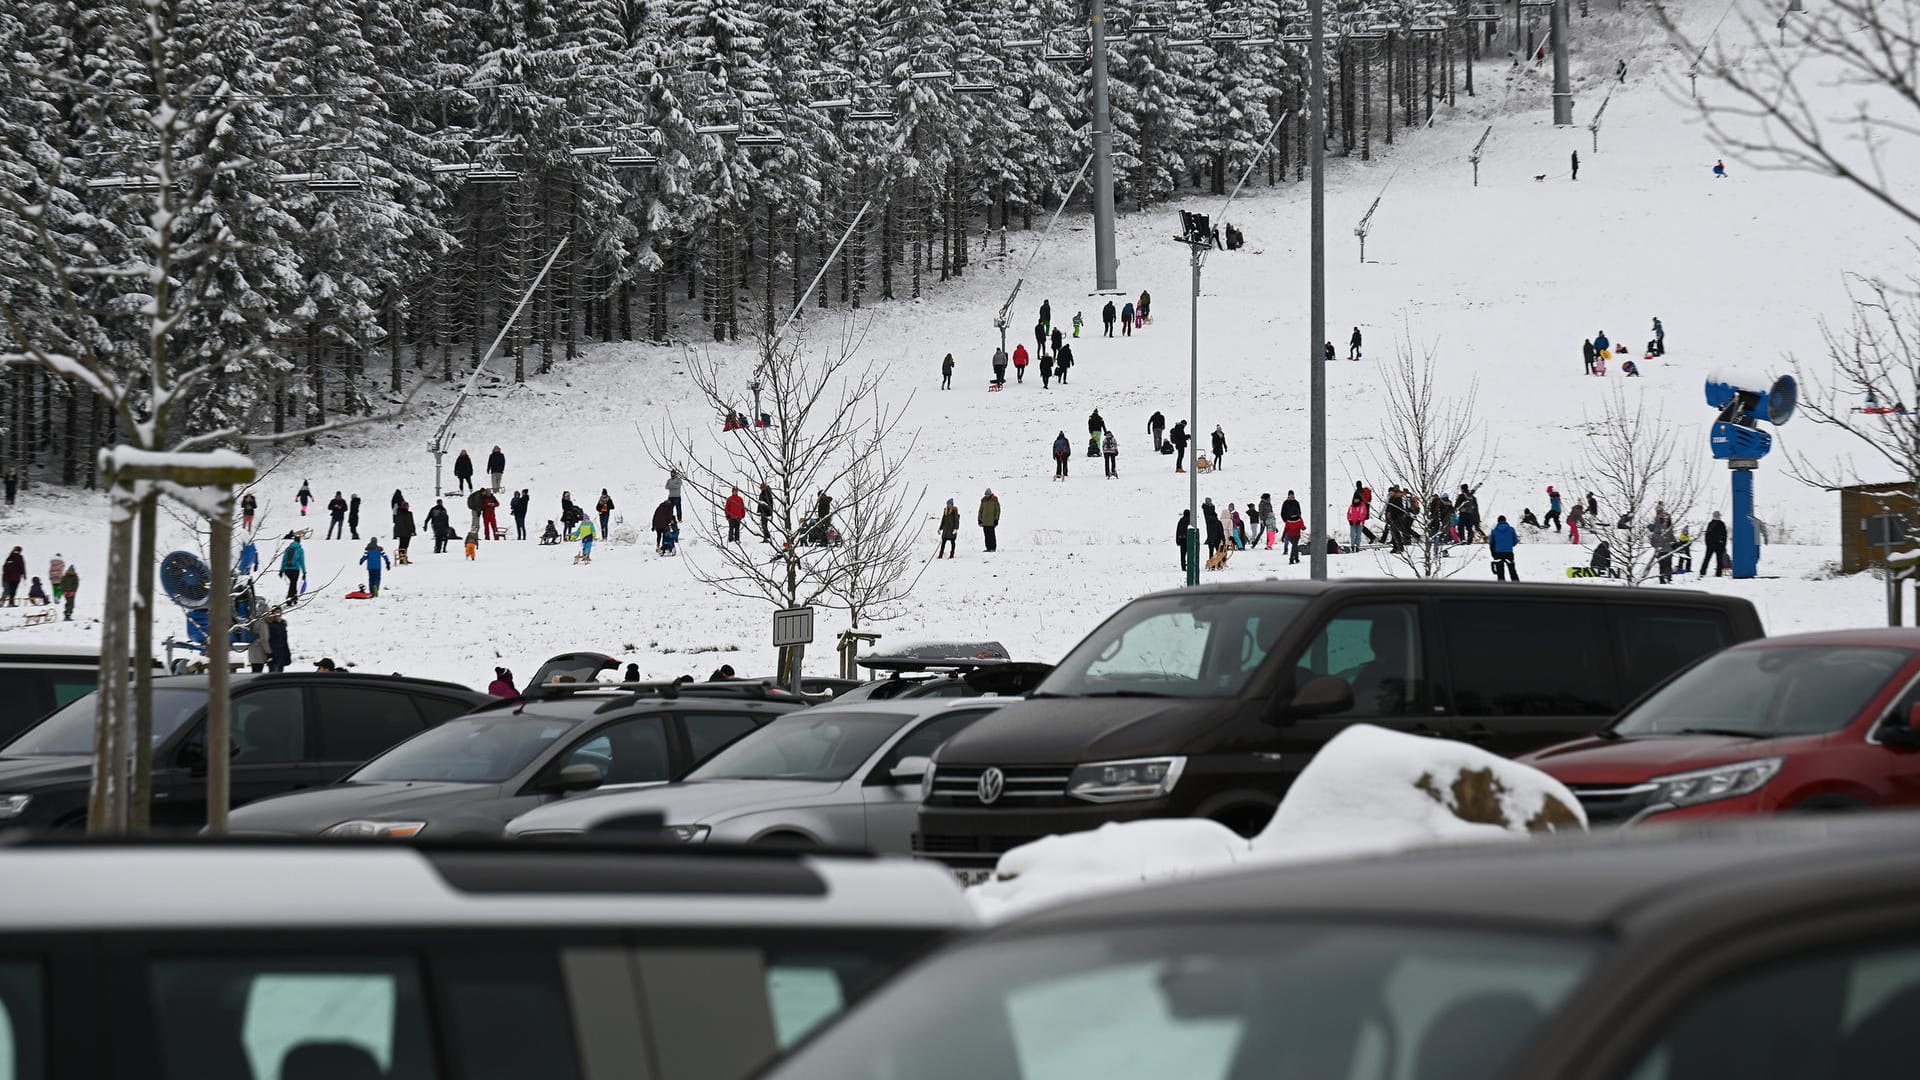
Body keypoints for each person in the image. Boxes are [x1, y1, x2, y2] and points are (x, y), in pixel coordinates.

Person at [1489, 515, 1519, 581]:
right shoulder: (1511, 529)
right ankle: (1517, 587)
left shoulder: (1494, 531)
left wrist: (1493, 553)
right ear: (1505, 521)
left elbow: (1491, 543)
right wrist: (1509, 545)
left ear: (1498, 521)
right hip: (1509, 553)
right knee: (1512, 572)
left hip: (1498, 554)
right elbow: (1515, 541)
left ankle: (1501, 588)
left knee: (1500, 574)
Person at [1701, 511, 1730, 577]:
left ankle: (1702, 572)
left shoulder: (1710, 523)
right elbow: (1724, 535)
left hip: (1710, 545)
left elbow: (1707, 535)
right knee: (1719, 560)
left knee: (1707, 559)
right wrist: (1724, 545)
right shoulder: (1722, 524)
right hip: (1719, 545)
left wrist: (1707, 544)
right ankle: (1718, 574)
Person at [279, 534, 306, 602]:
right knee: (293, 583)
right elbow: (302, 561)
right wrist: (304, 572)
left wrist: (281, 570)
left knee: (293, 583)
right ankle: (289, 598)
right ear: (299, 541)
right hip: (295, 569)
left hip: (286, 569)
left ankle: (294, 597)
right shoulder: (300, 550)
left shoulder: (288, 549)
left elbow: (284, 560)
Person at [266, 608, 290, 673]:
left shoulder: (282, 625)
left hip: (282, 654)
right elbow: (267, 640)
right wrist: (269, 654)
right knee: (273, 674)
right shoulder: (270, 625)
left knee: (280, 675)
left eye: (279, 612)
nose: (278, 614)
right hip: (273, 654)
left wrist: (287, 654)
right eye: (276, 612)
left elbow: (285, 641)